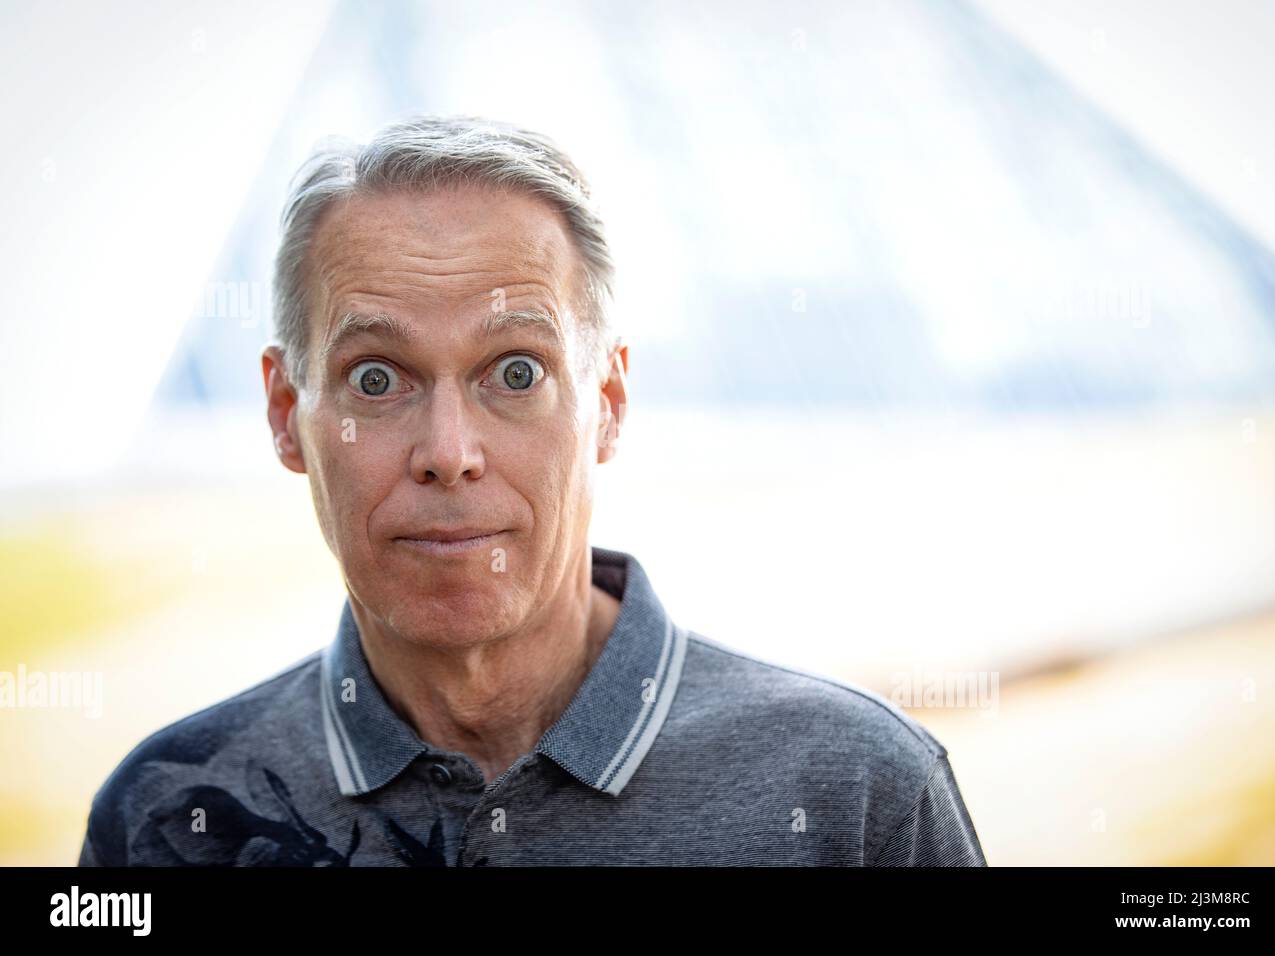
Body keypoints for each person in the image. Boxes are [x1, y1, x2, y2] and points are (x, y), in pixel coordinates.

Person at [77, 114, 986, 866]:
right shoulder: (168, 813)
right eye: (376, 379)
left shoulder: (856, 795)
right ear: (286, 413)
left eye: (515, 373)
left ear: (609, 404)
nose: (449, 453)